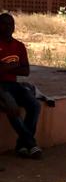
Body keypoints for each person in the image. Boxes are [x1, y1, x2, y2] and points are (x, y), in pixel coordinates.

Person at [0, 12, 42, 158]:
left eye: (11, 24)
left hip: (14, 85)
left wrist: (7, 66)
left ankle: (21, 145)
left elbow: (26, 71)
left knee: (35, 105)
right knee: (12, 107)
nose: (8, 27)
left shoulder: (19, 46)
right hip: (1, 87)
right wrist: (15, 65)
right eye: (4, 24)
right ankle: (31, 144)